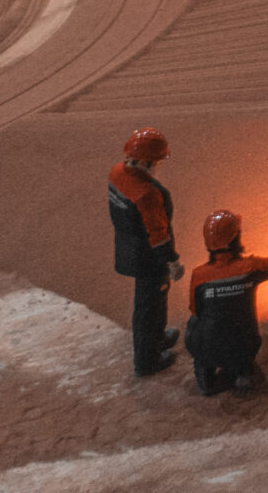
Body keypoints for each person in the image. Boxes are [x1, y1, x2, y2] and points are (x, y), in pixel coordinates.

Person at [185, 210, 268, 395]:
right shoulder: (250, 267)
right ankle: (242, 373)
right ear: (235, 239)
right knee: (240, 332)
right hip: (245, 346)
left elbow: (196, 310)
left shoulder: (199, 275)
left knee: (194, 321)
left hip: (209, 348)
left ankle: (206, 374)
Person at [106, 128, 183, 376]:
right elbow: (158, 234)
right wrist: (172, 262)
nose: (157, 166)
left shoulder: (116, 173)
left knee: (153, 303)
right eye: (156, 162)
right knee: (148, 308)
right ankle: (147, 361)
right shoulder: (149, 194)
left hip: (128, 248)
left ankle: (158, 339)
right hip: (149, 258)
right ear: (146, 161)